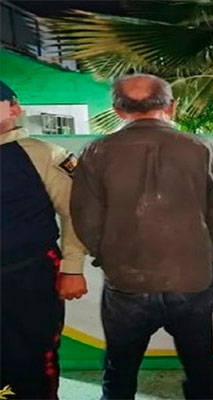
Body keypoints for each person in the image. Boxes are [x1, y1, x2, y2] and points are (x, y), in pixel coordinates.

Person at [70, 74, 213, 400]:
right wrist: (208, 258)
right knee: (201, 364)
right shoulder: (200, 148)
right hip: (191, 277)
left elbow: (85, 219)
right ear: (172, 107)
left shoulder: (97, 151)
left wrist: (110, 256)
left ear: (117, 110)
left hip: (127, 279)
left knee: (120, 367)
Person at [0, 81, 88, 399]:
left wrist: (72, 268)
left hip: (28, 274)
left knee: (32, 355)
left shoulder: (44, 154)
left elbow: (75, 212)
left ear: (14, 109)